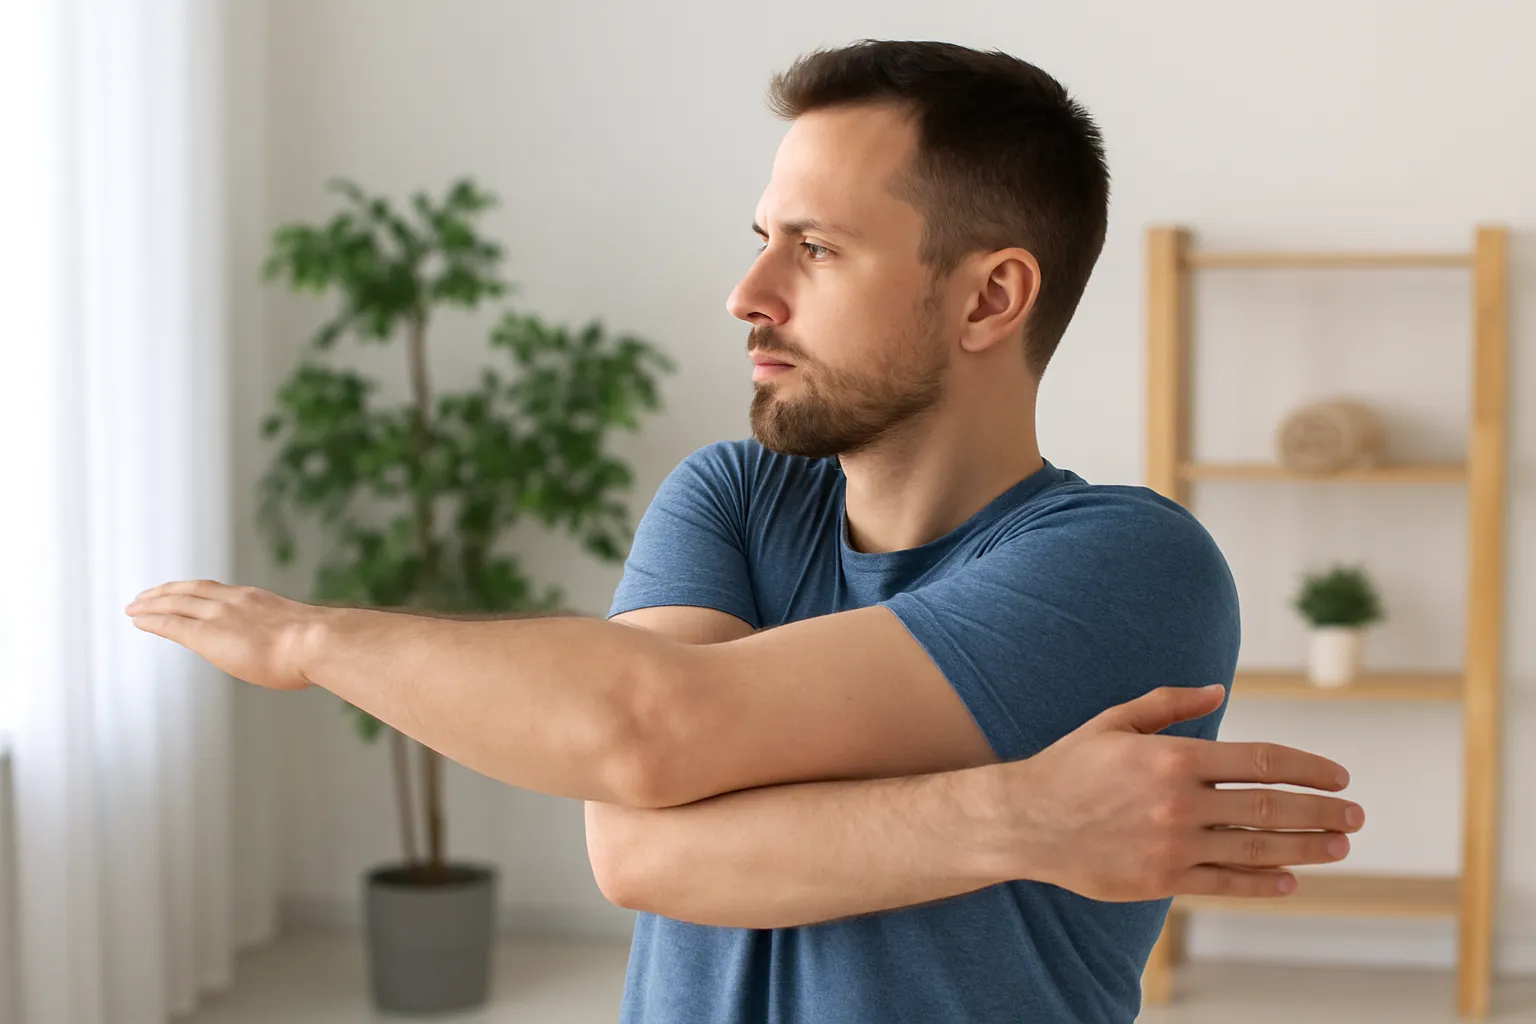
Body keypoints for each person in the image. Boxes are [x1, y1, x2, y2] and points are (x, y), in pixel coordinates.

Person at [127, 39, 1364, 1024]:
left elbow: (647, 725)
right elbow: (638, 841)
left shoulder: (1123, 564)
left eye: (815, 249)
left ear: (992, 295)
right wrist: (1021, 815)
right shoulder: (735, 493)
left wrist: (310, 641)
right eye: (762, 239)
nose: (749, 294)